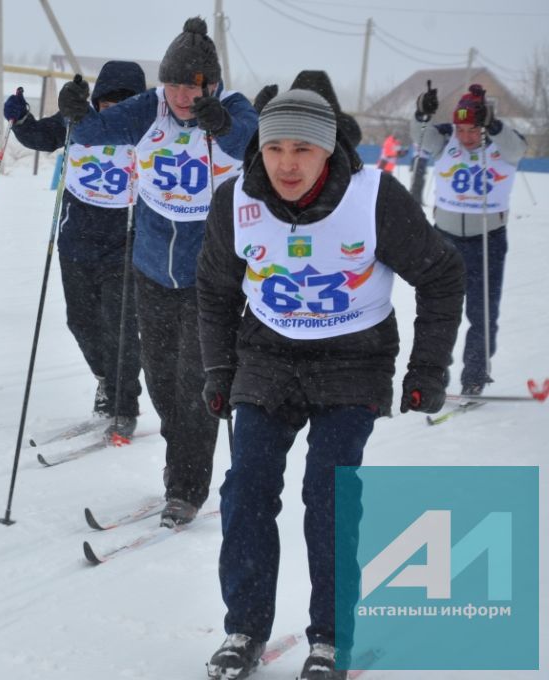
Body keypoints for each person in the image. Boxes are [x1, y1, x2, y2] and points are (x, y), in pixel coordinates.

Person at [196, 72, 464, 680]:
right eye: (275, 148)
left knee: (329, 496)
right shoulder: (233, 200)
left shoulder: (375, 197)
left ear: (328, 149)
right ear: (260, 148)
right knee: (246, 490)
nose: (288, 164)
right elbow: (213, 290)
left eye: (304, 149)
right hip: (267, 354)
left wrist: (427, 367)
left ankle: (330, 639)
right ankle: (244, 628)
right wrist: (219, 369)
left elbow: (441, 275)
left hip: (354, 358)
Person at [57, 17, 258, 526]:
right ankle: (180, 466)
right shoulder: (149, 108)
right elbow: (90, 133)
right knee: (162, 379)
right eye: (174, 86)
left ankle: (186, 487)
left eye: (195, 88)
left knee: (197, 381)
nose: (183, 98)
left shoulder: (232, 110)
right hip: (149, 266)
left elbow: (248, 142)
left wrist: (221, 123)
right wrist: (75, 113)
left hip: (207, 276)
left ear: (212, 85)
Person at [3, 61, 147, 438]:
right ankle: (105, 378)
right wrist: (20, 120)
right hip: (76, 240)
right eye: (108, 102)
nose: (113, 109)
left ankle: (123, 403)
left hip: (125, 242)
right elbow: (40, 136)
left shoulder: (145, 129)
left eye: (124, 102)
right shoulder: (76, 119)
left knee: (120, 326)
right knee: (80, 321)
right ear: (97, 99)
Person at [411, 82, 528, 396]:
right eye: (461, 129)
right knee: (440, 310)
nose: (465, 137)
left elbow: (518, 150)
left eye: (473, 130)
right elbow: (420, 137)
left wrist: (495, 125)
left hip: (487, 239)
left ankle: (474, 376)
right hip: (445, 238)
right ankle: (434, 375)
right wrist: (421, 113)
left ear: (484, 126)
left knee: (482, 312)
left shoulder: (502, 144)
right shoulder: (446, 137)